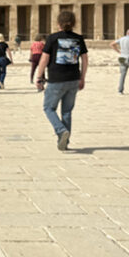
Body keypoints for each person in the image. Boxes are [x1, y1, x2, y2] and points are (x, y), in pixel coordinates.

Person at [34, 10, 88, 151]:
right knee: (67, 111)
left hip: (56, 79)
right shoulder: (78, 38)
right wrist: (82, 77)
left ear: (58, 23)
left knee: (48, 108)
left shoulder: (53, 38)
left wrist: (39, 77)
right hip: (74, 79)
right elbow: (85, 59)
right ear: (74, 23)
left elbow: (44, 59)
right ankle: (64, 142)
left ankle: (61, 130)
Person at [110, 28, 129, 95]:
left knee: (122, 74)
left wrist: (119, 52)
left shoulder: (121, 39)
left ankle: (120, 90)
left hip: (122, 57)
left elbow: (112, 44)